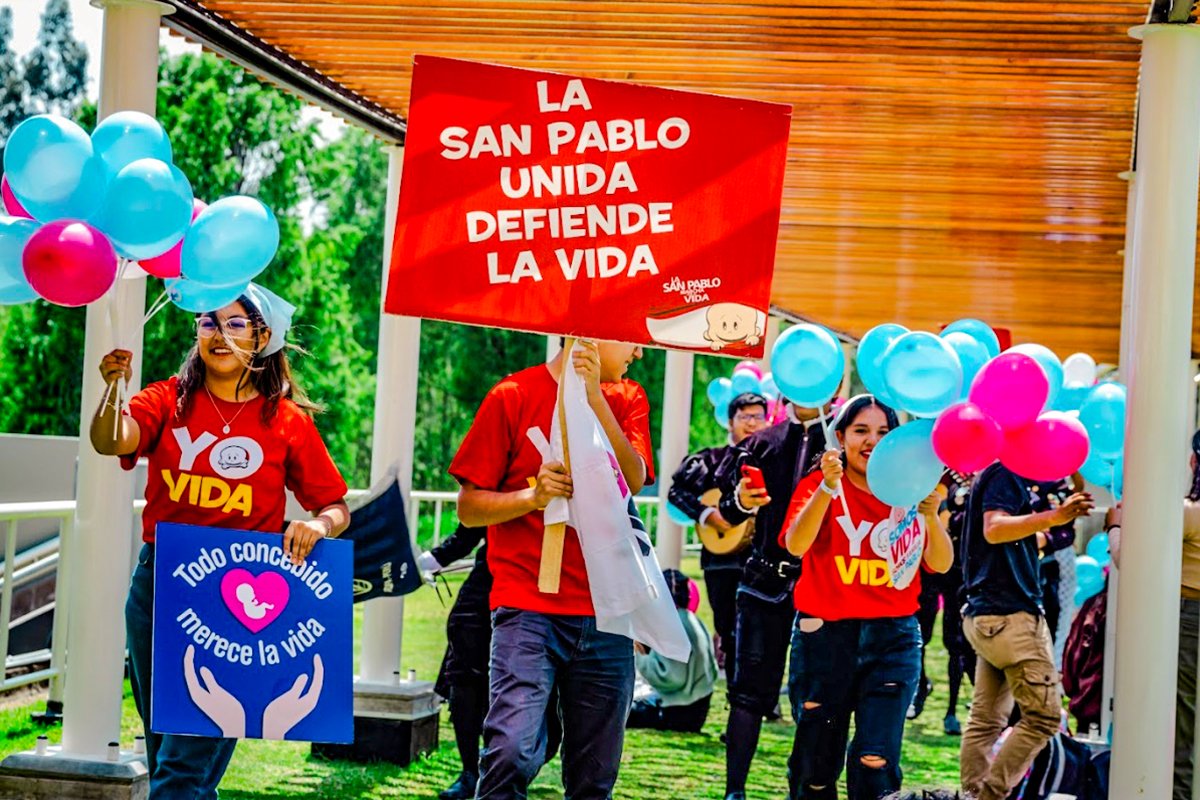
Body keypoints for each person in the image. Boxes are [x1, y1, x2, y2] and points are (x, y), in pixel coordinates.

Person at [92, 286, 350, 798]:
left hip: (239, 607)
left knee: (185, 764)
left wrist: (317, 526)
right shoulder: (168, 398)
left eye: (235, 325)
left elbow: (335, 506)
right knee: (169, 749)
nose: (219, 335)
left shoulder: (287, 421)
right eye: (209, 323)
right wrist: (114, 389)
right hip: (160, 591)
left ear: (262, 337)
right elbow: (111, 440)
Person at [451, 340, 654, 800]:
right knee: (511, 750)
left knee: (594, 772)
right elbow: (468, 508)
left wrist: (595, 399)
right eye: (630, 337)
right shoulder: (512, 395)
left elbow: (635, 477)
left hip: (608, 611)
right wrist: (533, 498)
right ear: (590, 332)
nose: (639, 352)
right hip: (528, 605)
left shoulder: (627, 397)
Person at [780, 395, 954, 800]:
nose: (871, 441)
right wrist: (826, 487)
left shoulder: (913, 490)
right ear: (840, 437)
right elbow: (795, 545)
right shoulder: (818, 486)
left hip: (893, 640)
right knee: (816, 765)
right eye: (860, 431)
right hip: (824, 637)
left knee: (875, 759)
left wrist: (929, 515)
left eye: (882, 432)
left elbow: (941, 564)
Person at [715, 396, 831, 800]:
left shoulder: (840, 441)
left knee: (816, 698)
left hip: (821, 587)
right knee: (747, 691)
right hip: (761, 581)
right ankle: (735, 791)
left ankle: (802, 788)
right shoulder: (761, 443)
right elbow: (726, 511)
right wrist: (744, 501)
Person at [958, 461, 1093, 800]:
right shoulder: (1006, 471)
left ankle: (974, 796)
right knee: (1044, 717)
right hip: (1011, 618)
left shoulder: (998, 473)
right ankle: (989, 796)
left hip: (986, 615)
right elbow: (995, 528)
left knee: (986, 721)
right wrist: (1052, 517)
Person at [420, 525, 563, 800]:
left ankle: (505, 769)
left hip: (550, 592)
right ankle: (470, 773)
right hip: (488, 587)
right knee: (464, 681)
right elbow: (471, 523)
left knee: (545, 691)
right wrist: (430, 560)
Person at [1107, 429, 1200, 800]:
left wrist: (1115, 525)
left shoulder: (1187, 514)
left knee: (1177, 725)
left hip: (1186, 617)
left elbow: (1130, 559)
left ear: (1195, 462)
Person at [668, 392, 769, 667]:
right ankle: (738, 689)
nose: (751, 423)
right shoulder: (710, 459)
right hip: (720, 560)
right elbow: (676, 492)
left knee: (761, 629)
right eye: (744, 417)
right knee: (726, 624)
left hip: (761, 559)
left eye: (758, 417)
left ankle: (759, 696)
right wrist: (706, 515)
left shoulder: (774, 457)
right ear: (730, 421)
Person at [912, 470, 977, 735]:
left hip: (959, 572)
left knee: (956, 644)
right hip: (927, 569)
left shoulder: (976, 480)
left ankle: (951, 711)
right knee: (919, 637)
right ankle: (920, 687)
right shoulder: (933, 474)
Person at [627, 569, 718, 733]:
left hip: (679, 712)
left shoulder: (672, 626)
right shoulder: (692, 619)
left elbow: (672, 678)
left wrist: (641, 657)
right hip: (696, 707)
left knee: (620, 711)